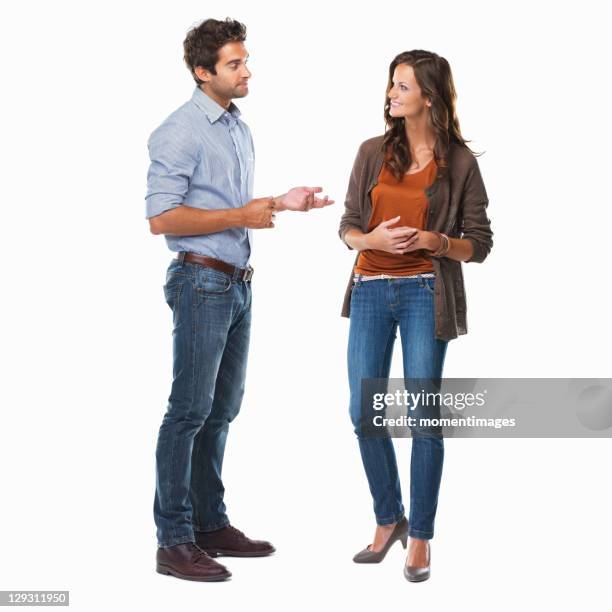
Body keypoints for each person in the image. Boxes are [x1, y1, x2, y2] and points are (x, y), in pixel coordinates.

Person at [146, 17, 333, 582]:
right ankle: (173, 540)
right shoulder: (178, 130)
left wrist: (280, 202)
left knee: (221, 411)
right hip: (201, 282)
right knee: (188, 413)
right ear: (203, 73)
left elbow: (227, 205)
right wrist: (241, 215)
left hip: (238, 283)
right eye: (234, 63)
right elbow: (161, 218)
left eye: (245, 60)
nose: (246, 70)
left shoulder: (235, 126)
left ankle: (209, 524)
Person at [338, 49, 493, 582]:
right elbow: (349, 227)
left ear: (428, 95)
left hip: (426, 292)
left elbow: (480, 244)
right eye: (390, 86)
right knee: (365, 414)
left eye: (402, 87)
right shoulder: (370, 152)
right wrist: (370, 239)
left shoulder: (460, 162)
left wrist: (437, 241)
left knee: (424, 417)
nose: (391, 95)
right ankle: (389, 520)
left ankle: (420, 535)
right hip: (369, 291)